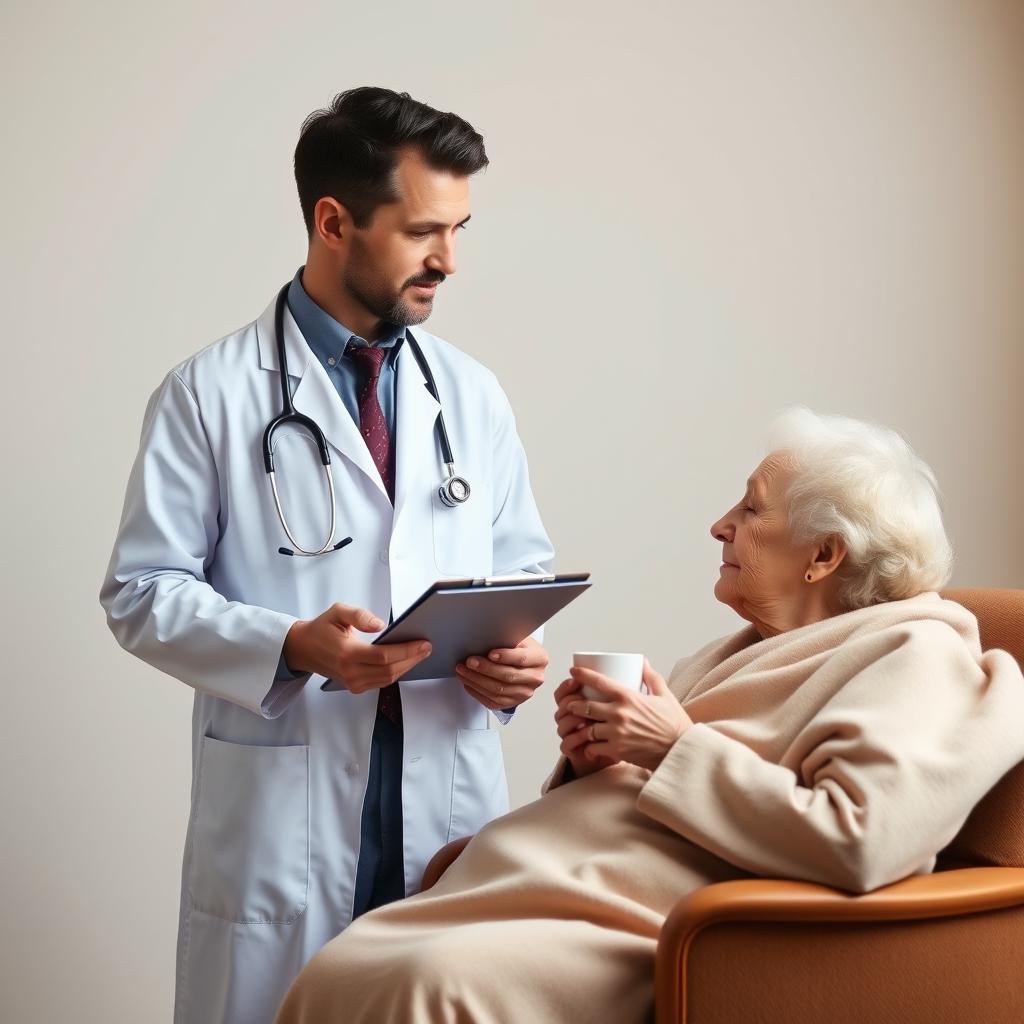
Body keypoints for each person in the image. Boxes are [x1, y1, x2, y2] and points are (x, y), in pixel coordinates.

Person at [274, 408, 1024, 1024]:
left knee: (429, 984)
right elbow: (646, 799)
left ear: (823, 555)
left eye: (750, 509)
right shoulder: (741, 648)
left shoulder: (916, 656)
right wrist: (596, 756)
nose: (719, 526)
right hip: (546, 894)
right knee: (345, 966)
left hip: (660, 926)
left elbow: (862, 840)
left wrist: (672, 746)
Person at [99, 87, 554, 1024]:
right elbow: (140, 592)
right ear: (333, 221)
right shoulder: (210, 395)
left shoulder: (472, 395)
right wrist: (291, 645)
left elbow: (522, 569)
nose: (450, 260)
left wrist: (516, 661)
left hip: (443, 794)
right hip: (286, 802)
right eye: (424, 230)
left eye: (460, 229)